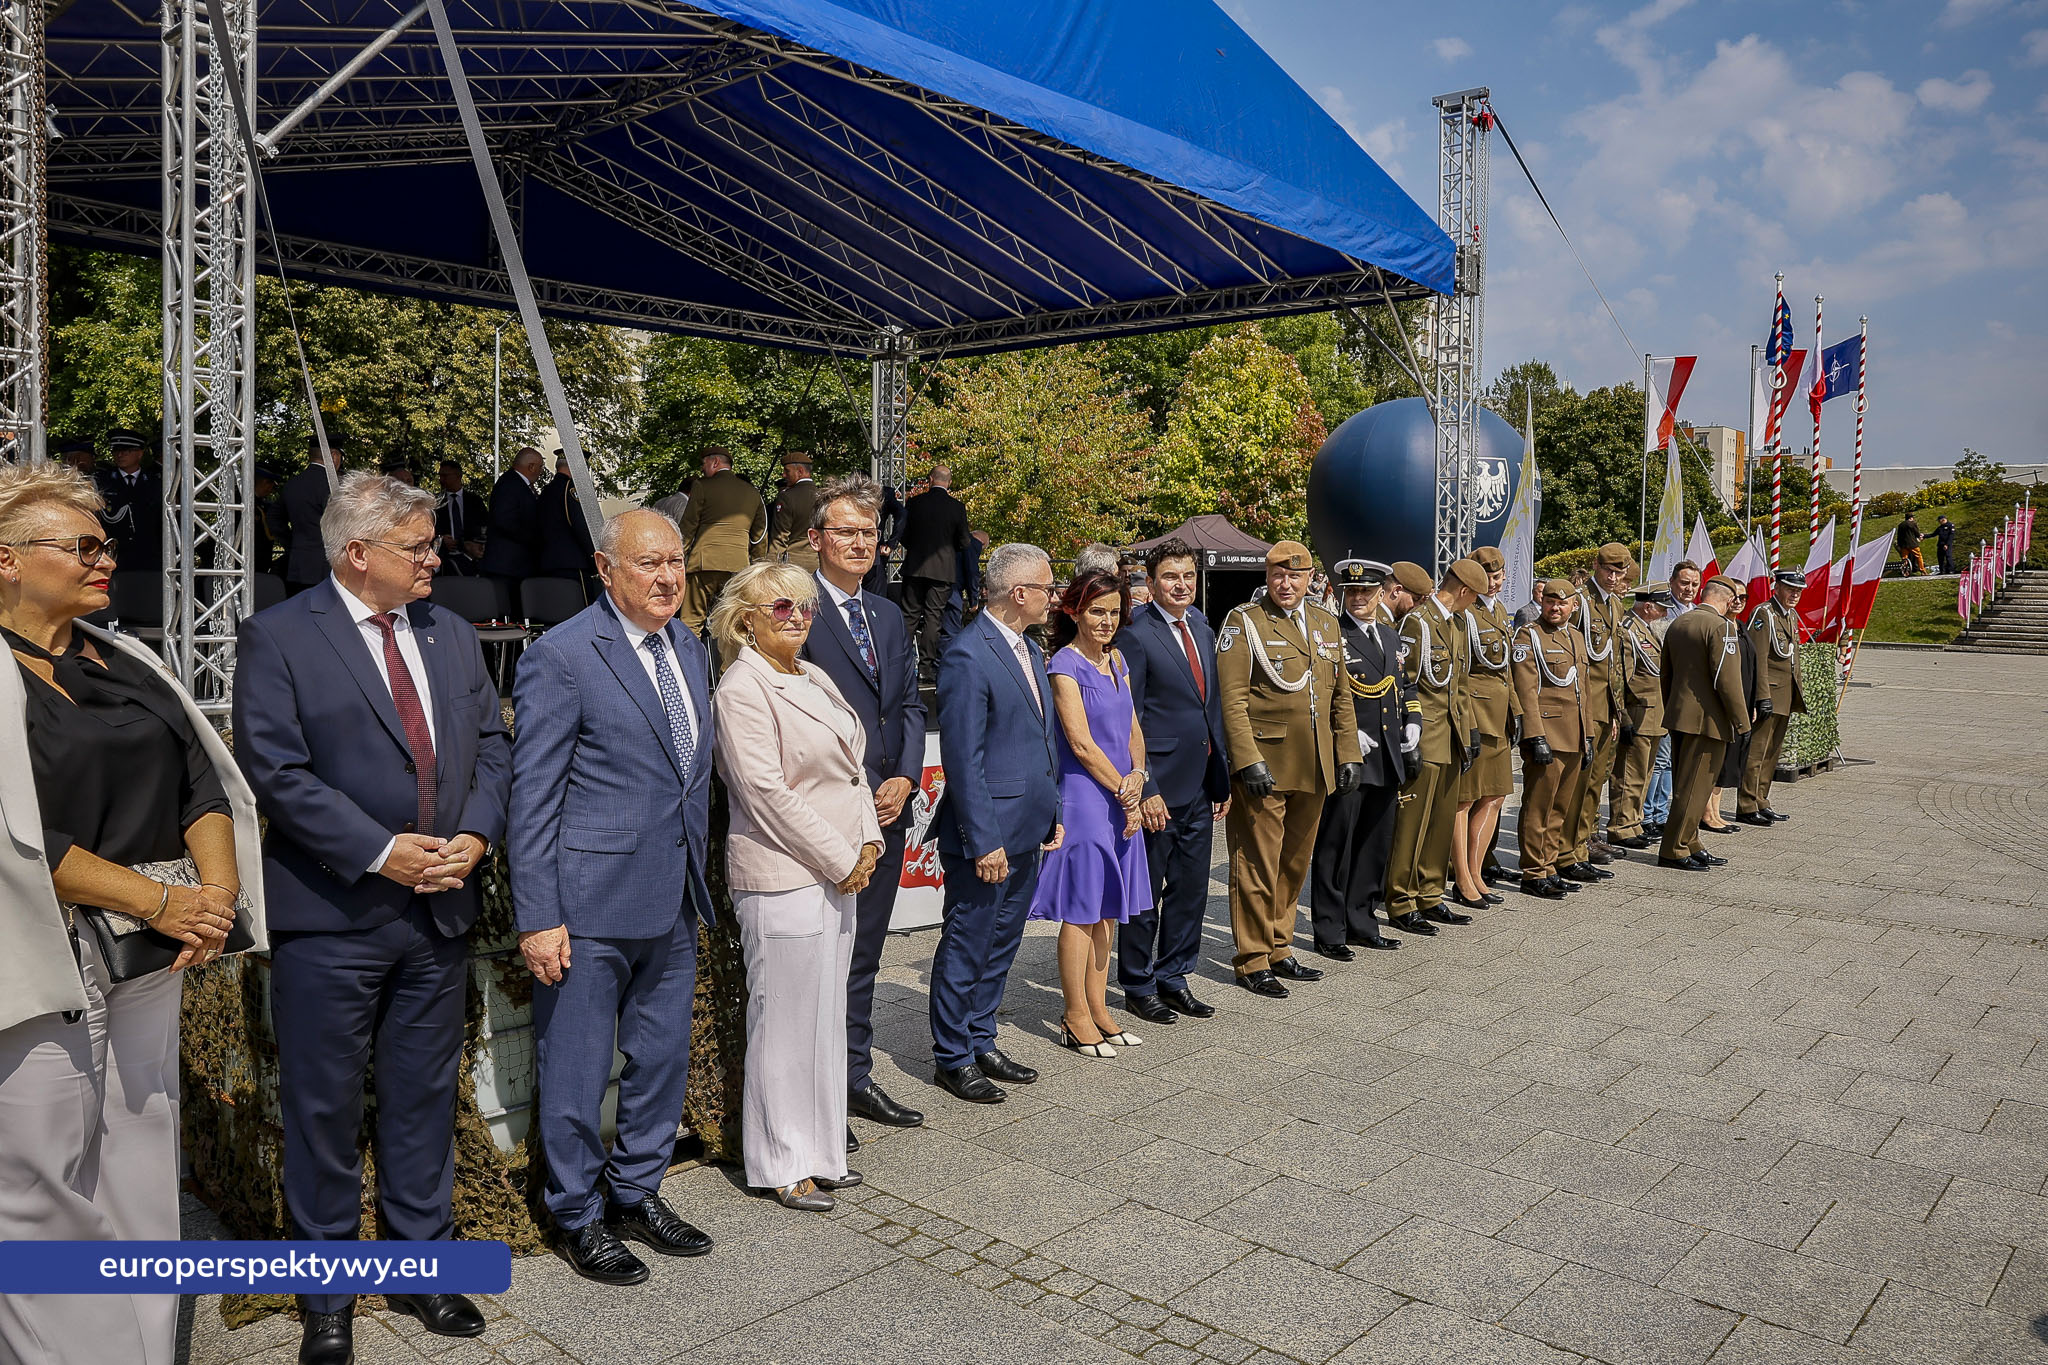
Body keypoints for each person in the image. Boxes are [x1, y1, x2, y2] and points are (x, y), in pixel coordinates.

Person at [232, 472, 510, 1364]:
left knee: (425, 1095)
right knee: (325, 1106)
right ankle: (326, 1293)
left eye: (432, 545)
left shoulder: (455, 632)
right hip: (335, 913)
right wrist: (378, 848)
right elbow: (275, 770)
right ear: (358, 552)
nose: (437, 557)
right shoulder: (278, 635)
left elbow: (493, 746)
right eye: (418, 546)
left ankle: (420, 1262)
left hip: (440, 910)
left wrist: (474, 834)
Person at [0, 463, 262, 1365]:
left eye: (104, 543)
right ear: (6, 559)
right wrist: (167, 898)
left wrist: (215, 899)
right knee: (38, 1182)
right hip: (36, 956)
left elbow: (204, 775)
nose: (103, 559)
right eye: (80, 546)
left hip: (154, 950)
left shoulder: (130, 655)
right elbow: (23, 835)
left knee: (142, 1160)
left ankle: (147, 1348)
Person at [510, 508, 716, 1285]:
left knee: (660, 1059)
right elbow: (532, 799)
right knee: (576, 1067)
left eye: (676, 562)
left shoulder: (689, 648)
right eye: (649, 564)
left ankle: (636, 1190)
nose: (668, 578)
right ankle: (576, 1212)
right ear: (605, 569)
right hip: (588, 906)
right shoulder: (562, 657)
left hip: (673, 898)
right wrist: (539, 916)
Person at [710, 562, 882, 1210]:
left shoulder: (814, 675)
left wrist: (868, 841)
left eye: (806, 607)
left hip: (840, 872)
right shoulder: (740, 688)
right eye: (783, 608)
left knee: (823, 1017)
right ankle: (781, 1160)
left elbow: (853, 770)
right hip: (783, 875)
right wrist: (843, 857)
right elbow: (764, 793)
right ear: (747, 618)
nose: (799, 618)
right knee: (782, 1022)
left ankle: (822, 1152)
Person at [798, 475, 928, 1136]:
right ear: (816, 538)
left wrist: (906, 775)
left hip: (887, 811)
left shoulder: (887, 613)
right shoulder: (793, 609)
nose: (858, 542)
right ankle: (817, 1090)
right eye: (844, 531)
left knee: (866, 953)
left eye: (868, 533)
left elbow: (907, 703)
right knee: (820, 958)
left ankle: (852, 1075)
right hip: (822, 817)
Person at [928, 542, 1063, 1104]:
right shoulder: (968, 653)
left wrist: (1051, 812)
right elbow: (963, 758)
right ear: (1020, 593)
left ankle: (981, 1036)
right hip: (986, 835)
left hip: (1028, 826)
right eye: (1049, 588)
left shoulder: (1029, 649)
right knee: (968, 941)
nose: (1056, 597)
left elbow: (1040, 742)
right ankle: (952, 1056)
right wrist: (983, 840)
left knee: (1002, 941)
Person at [1216, 541, 1362, 995]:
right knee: (1258, 863)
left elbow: (1340, 695)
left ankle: (1280, 946)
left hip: (1314, 761)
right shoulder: (1246, 623)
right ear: (1267, 576)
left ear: (1308, 578)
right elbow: (1233, 699)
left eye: (1296, 576)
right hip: (1267, 763)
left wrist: (1349, 752)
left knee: (1295, 862)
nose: (1287, 583)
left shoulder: (1324, 622)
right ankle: (1253, 958)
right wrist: (1247, 759)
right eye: (1279, 574)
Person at [1029, 571, 1152, 1059]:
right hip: (1085, 799)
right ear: (1075, 611)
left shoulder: (1117, 659)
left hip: (1122, 794)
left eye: (1115, 611)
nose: (1106, 620)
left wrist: (1139, 776)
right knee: (1082, 912)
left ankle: (1099, 1009)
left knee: (1107, 912)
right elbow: (1079, 743)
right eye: (1097, 611)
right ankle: (1074, 1013)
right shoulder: (1065, 664)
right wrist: (1124, 789)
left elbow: (1132, 729)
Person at [1114, 539, 1231, 1023]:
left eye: (1188, 576)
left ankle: (1175, 975)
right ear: (1152, 580)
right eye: (1170, 577)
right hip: (1159, 787)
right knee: (1146, 892)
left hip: (1201, 784)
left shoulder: (1202, 626)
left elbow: (1213, 707)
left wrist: (1220, 778)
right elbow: (1129, 718)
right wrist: (1148, 788)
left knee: (1191, 888)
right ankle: (1139, 984)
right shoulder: (1135, 635)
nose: (1181, 585)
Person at [1307, 559, 1409, 953]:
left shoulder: (1390, 635)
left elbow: (1404, 684)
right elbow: (1324, 696)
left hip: (1385, 752)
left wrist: (1411, 726)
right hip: (1351, 753)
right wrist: (1344, 738)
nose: (1359, 598)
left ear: (1381, 592)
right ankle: (1330, 930)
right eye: (1352, 592)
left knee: (1374, 842)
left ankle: (1362, 920)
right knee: (1337, 843)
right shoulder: (1332, 636)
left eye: (1367, 591)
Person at [1383, 559, 1482, 935]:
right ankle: (1401, 899)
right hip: (1425, 735)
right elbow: (1403, 683)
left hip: (1452, 737)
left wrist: (1469, 732)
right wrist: (1408, 739)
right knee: (1413, 823)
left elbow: (1459, 684)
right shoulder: (1418, 623)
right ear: (1464, 591)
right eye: (1475, 597)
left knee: (1440, 822)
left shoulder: (1455, 624)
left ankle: (1430, 893)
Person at [1657, 577, 1749, 871]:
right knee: (1695, 787)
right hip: (1708, 719)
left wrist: (1673, 706)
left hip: (1680, 714)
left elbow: (1666, 674)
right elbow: (1728, 680)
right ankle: (1674, 848)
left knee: (1688, 784)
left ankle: (1691, 841)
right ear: (1728, 599)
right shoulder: (1721, 627)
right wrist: (1741, 721)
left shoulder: (1679, 623)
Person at [1510, 579, 1591, 899]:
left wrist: (1590, 735)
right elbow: (1525, 690)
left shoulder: (1576, 637)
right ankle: (1532, 872)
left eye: (1562, 603)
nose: (1554, 608)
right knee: (1538, 806)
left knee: (1560, 808)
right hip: (1547, 735)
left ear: (1574, 605)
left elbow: (1582, 692)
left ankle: (1549, 865)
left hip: (1574, 734)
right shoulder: (1528, 636)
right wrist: (1534, 735)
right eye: (1549, 602)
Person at [1451, 545, 1517, 909]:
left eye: (1498, 575)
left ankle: (1476, 871)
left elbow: (1506, 670)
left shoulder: (1499, 611)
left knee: (1495, 797)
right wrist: (1469, 722)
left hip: (1500, 715)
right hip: (1477, 714)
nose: (1495, 583)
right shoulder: (1466, 614)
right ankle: (1462, 876)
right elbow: (1459, 673)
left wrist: (1517, 711)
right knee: (1465, 799)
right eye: (1488, 577)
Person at [1565, 543, 1631, 879]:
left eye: (1620, 572)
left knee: (1598, 775)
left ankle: (1588, 835)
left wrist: (1619, 709)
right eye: (1609, 571)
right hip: (1584, 703)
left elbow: (1615, 661)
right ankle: (1574, 842)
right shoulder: (1580, 602)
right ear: (1596, 566)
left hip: (1607, 704)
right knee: (1580, 776)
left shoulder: (1615, 604)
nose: (1614, 577)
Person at [1737, 569, 1807, 825]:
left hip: (1786, 695)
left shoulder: (1789, 615)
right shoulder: (1764, 614)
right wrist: (1761, 696)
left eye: (1798, 590)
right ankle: (1746, 804)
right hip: (1769, 694)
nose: (1795, 594)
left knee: (1772, 753)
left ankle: (1761, 800)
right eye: (1790, 588)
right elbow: (1758, 659)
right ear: (1776, 587)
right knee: (1757, 752)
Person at [1606, 584, 1671, 851]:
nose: (1665, 613)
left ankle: (1634, 822)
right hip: (1638, 713)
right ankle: (1621, 826)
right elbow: (1623, 676)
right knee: (1630, 774)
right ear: (1648, 606)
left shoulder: (1647, 630)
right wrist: (1623, 716)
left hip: (1655, 714)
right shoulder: (1629, 631)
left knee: (1644, 773)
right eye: (1662, 608)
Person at [678, 446, 767, 630]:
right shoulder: (752, 492)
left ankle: (692, 659)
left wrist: (678, 557)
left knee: (691, 623)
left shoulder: (702, 486)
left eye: (704, 463)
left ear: (715, 462)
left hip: (704, 564)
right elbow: (759, 537)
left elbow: (688, 526)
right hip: (738, 567)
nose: (702, 468)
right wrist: (757, 566)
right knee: (734, 624)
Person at [899, 465, 971, 685]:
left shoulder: (914, 503)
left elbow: (904, 535)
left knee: (908, 617)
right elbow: (965, 541)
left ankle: (901, 664)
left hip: (915, 566)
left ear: (930, 479)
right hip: (943, 571)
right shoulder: (957, 507)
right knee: (933, 618)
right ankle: (926, 668)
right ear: (949, 482)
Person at [1702, 579, 1759, 835]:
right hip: (1724, 706)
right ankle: (1708, 813)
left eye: (1743, 597)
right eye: (1734, 596)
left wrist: (1753, 702)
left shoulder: (1742, 627)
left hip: (1742, 703)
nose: (1738, 601)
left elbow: (1752, 668)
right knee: (1719, 762)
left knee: (1730, 761)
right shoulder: (1720, 627)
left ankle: (1715, 810)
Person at [478, 445, 545, 604]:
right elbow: (505, 520)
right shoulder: (510, 485)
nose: (541, 472)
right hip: (507, 567)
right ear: (531, 467)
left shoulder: (514, 483)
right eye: (540, 467)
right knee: (508, 613)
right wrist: (535, 538)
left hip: (513, 566)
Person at [280, 436, 344, 595]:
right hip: (327, 566)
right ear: (334, 456)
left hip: (297, 563)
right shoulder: (335, 486)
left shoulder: (292, 484)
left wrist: (291, 542)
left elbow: (274, 518)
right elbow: (342, 525)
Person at [92, 429, 163, 572]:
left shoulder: (156, 481)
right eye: (116, 450)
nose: (120, 455)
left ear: (140, 453)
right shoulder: (102, 482)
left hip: (149, 558)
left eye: (126, 451)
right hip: (115, 558)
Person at [537, 453, 598, 598]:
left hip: (548, 562)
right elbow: (581, 524)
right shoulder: (571, 489)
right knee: (580, 610)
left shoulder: (546, 490)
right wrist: (594, 554)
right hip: (573, 563)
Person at [434, 458, 488, 575]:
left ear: (458, 476)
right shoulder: (436, 502)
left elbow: (484, 527)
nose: (441, 480)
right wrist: (441, 538)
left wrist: (468, 544)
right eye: (440, 476)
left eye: (445, 476)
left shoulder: (475, 501)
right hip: (444, 561)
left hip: (471, 560)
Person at [766, 454, 820, 571]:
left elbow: (779, 538)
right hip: (818, 563)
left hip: (793, 566)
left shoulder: (787, 497)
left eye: (787, 471)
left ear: (800, 471)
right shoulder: (823, 496)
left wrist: (770, 567)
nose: (783, 475)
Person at [253, 463, 287, 576]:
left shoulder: (264, 505)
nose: (271, 489)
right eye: (272, 484)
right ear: (265, 483)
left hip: (261, 564)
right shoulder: (241, 503)